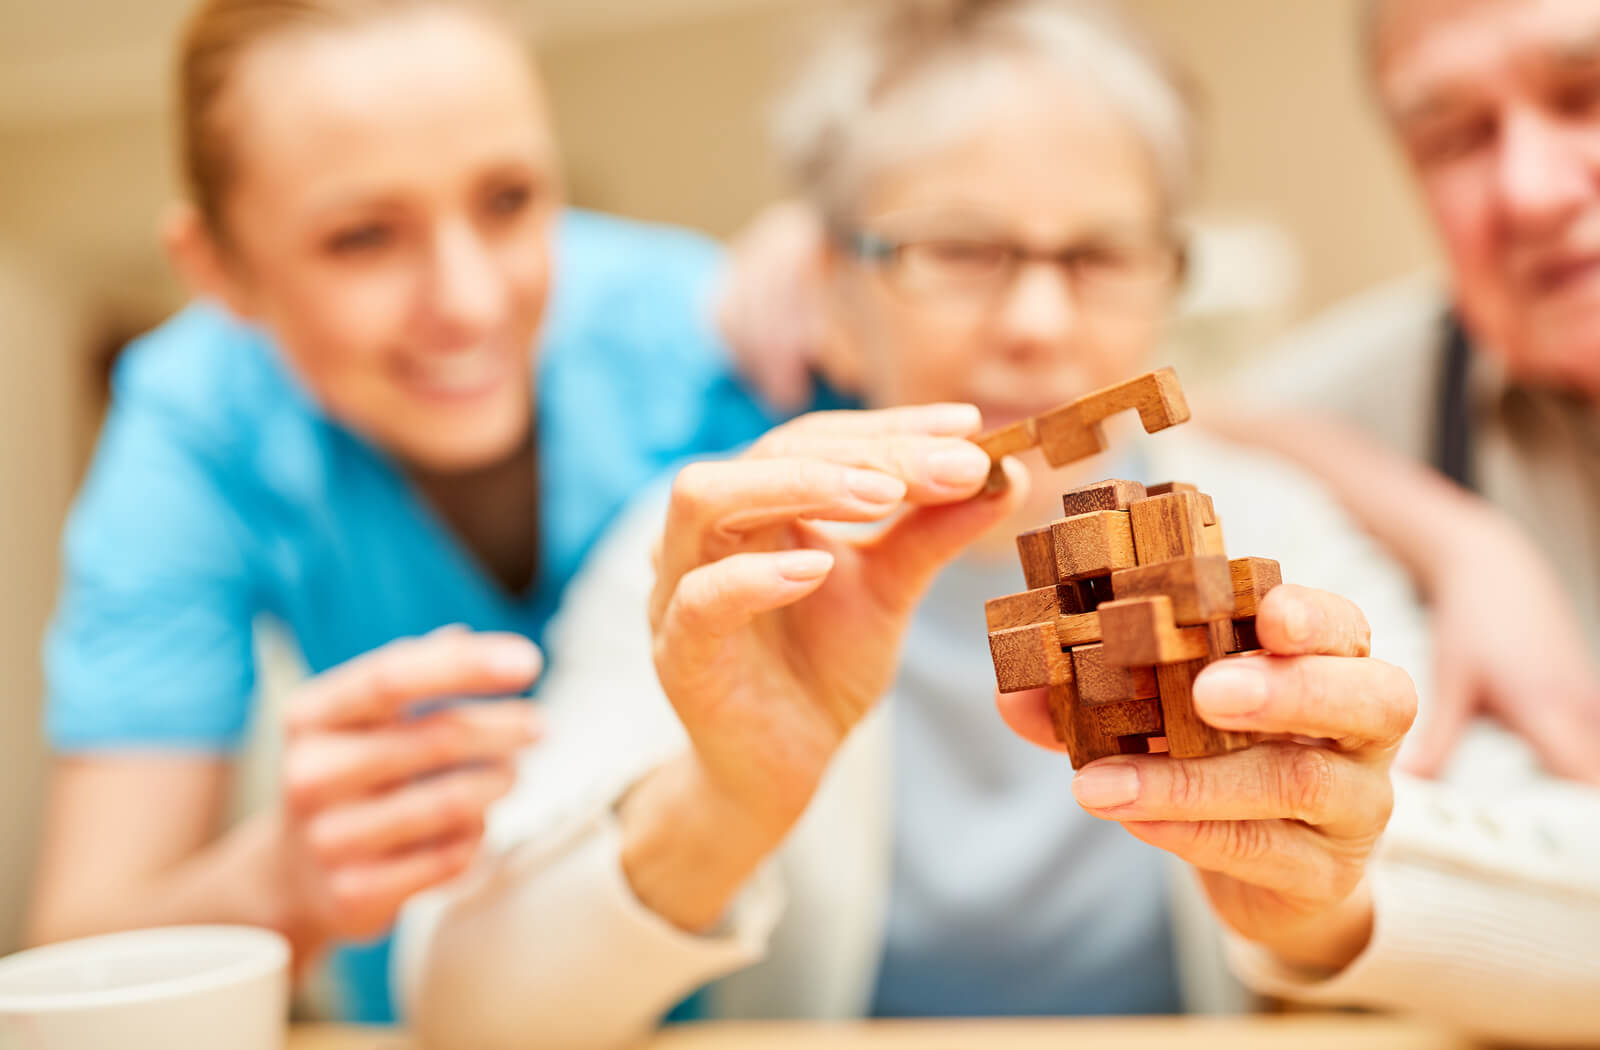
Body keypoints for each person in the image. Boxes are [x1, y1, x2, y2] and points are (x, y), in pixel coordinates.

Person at [394, 3, 1590, 1046]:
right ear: (831, 297)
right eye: (956, 251)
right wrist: (721, 800)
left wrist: (1330, 890)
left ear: (1167, 286)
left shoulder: (1271, 534)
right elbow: (458, 1012)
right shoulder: (721, 546)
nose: (1032, 322)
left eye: (1098, 254)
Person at [24, 0, 802, 1023]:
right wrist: (280, 886)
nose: (469, 301)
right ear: (219, 270)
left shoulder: (716, 330)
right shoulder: (197, 424)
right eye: (362, 238)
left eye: (510, 199)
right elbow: (78, 961)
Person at [1213, 0, 1600, 785]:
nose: (1529, 192)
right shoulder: (1402, 382)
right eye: (1451, 140)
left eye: (1587, 92)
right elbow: (1178, 420)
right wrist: (1457, 538)